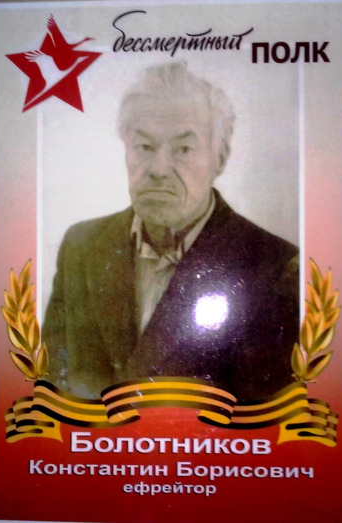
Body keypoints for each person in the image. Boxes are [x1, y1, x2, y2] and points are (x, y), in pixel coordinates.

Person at [43, 61, 299, 401]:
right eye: (144, 147)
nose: (159, 169)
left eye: (184, 149)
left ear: (220, 158)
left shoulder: (274, 267)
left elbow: (265, 421)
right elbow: (50, 387)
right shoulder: (81, 246)